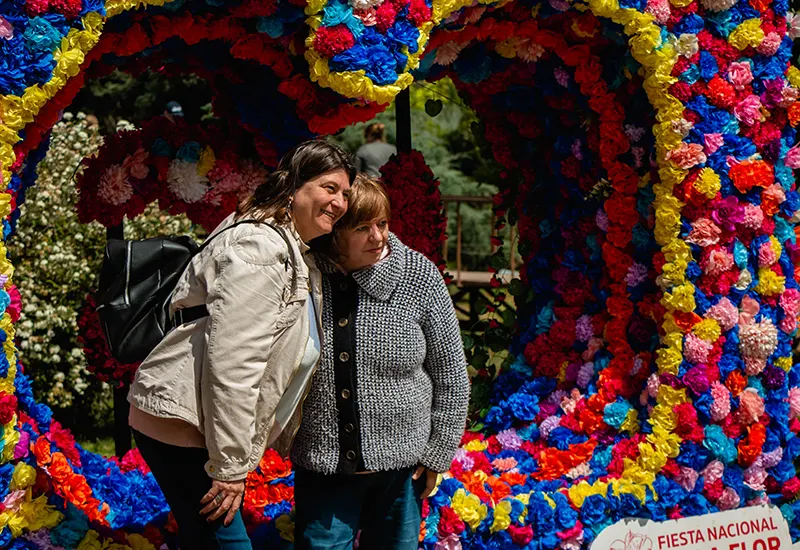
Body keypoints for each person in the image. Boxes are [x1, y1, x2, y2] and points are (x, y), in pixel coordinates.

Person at [127, 140, 355, 550]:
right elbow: (233, 363)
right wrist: (230, 466)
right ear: (294, 187)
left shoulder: (290, 248)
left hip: (198, 425)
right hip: (183, 424)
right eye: (329, 188)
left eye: (345, 194)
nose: (339, 202)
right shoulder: (261, 249)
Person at [291, 175, 470, 549]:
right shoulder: (304, 274)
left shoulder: (419, 276)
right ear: (335, 232)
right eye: (362, 228)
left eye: (382, 224)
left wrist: (438, 454)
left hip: (401, 475)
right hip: (324, 470)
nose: (377, 237)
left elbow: (451, 373)